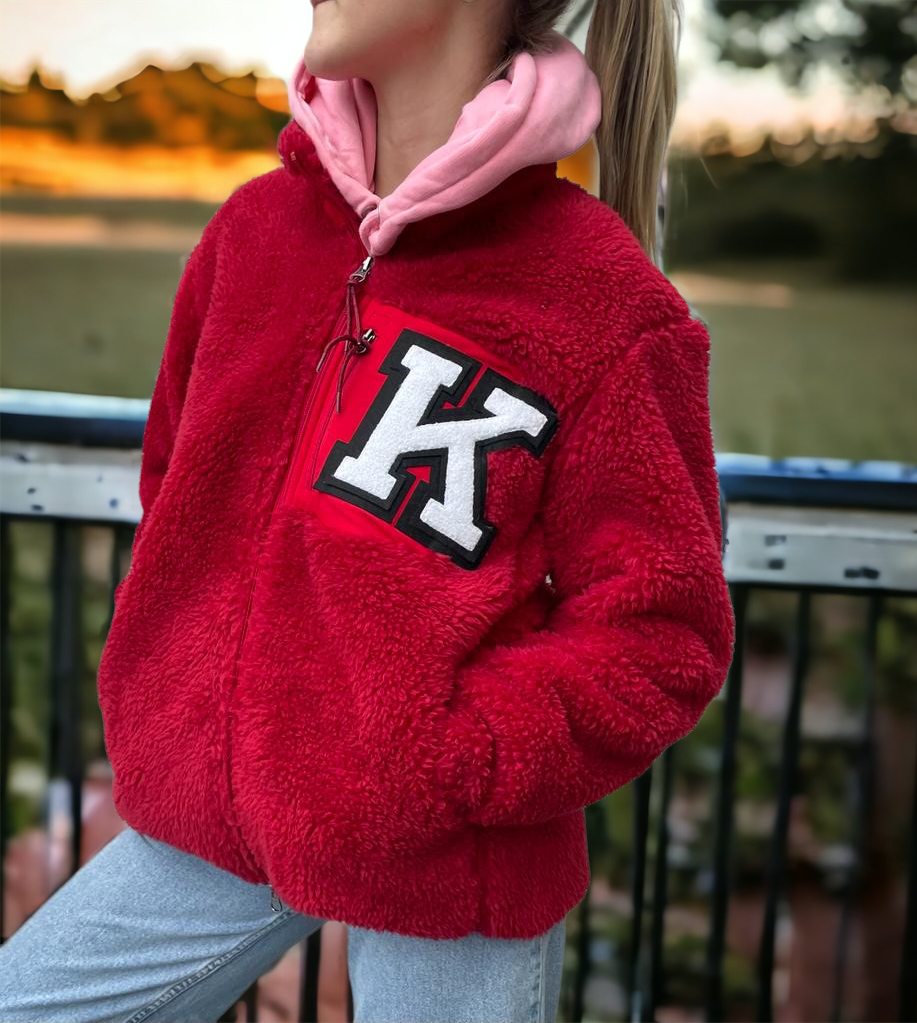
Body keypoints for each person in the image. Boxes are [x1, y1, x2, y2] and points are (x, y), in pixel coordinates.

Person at [0, 0, 736, 1019]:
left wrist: (441, 759)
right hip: (212, 815)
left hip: (452, 871)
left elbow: (661, 631)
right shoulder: (249, 236)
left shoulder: (600, 305)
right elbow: (176, 491)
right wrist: (177, 697)